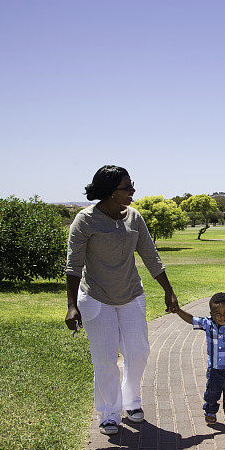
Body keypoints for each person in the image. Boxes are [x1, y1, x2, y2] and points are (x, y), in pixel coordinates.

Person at [64, 165, 179, 435]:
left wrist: (168, 290)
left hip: (131, 295)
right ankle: (109, 412)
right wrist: (71, 305)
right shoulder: (85, 220)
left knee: (138, 353)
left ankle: (131, 401)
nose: (133, 191)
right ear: (109, 192)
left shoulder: (134, 217)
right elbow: (73, 266)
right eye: (127, 187)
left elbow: (150, 256)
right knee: (104, 358)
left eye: (132, 185)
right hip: (96, 298)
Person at [175, 292, 225, 425]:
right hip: (215, 371)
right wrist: (178, 310)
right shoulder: (208, 324)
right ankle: (210, 412)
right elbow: (192, 319)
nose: (222, 316)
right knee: (212, 393)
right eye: (217, 313)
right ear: (211, 313)